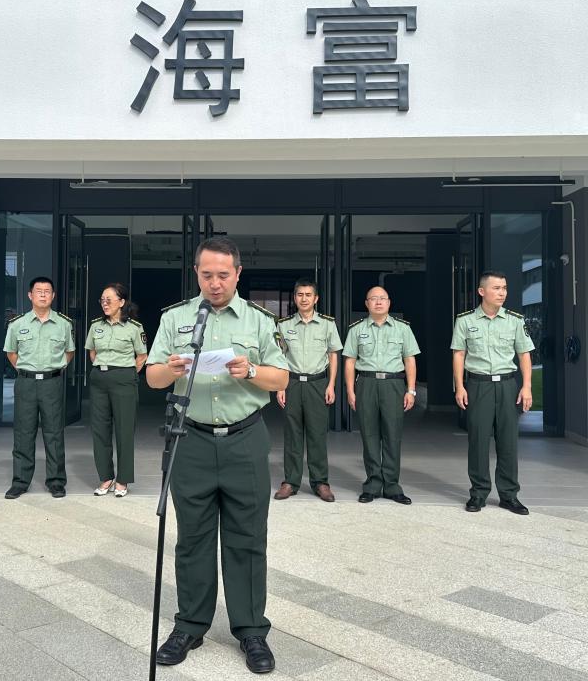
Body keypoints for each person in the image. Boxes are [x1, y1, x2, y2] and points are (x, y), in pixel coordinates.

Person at [146, 236, 288, 675]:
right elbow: (151, 377)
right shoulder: (176, 318)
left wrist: (251, 370)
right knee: (193, 538)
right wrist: (169, 368)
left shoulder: (259, 321)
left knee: (248, 539)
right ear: (196, 273)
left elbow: (281, 376)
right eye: (206, 274)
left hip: (245, 439)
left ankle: (251, 630)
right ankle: (190, 625)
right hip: (191, 439)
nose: (215, 283)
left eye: (223, 275)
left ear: (238, 273)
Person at [451, 271, 534, 515]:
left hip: (507, 385)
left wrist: (527, 386)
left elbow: (524, 354)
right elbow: (459, 354)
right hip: (479, 385)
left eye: (504, 288)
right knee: (478, 441)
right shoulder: (465, 321)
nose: (502, 293)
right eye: (496, 288)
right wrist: (460, 386)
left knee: (508, 442)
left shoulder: (515, 320)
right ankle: (478, 494)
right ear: (482, 291)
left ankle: (509, 495)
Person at [342, 287, 420, 505]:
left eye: (382, 299)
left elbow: (410, 360)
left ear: (389, 302)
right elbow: (349, 361)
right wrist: (350, 390)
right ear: (366, 304)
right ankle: (373, 485)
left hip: (393, 384)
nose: (378, 302)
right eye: (373, 299)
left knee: (392, 435)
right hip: (366, 383)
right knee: (369, 436)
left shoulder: (403, 329)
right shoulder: (356, 329)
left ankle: (392, 485)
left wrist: (411, 390)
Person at [2, 276, 75, 499]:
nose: (43, 294)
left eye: (47, 291)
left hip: (52, 383)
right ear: (30, 295)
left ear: (53, 296)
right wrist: (26, 370)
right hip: (26, 383)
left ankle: (56, 481)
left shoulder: (64, 324)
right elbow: (11, 353)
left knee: (54, 433)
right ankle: (20, 481)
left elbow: (69, 352)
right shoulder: (17, 324)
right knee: (23, 433)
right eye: (38, 291)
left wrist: (56, 369)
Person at [274, 279, 342, 502]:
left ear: (316, 298)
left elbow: (333, 354)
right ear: (295, 298)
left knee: (317, 435)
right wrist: (280, 386)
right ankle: (290, 482)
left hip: (317, 383)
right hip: (292, 383)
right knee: (292, 435)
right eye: (300, 295)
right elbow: (279, 357)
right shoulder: (284, 325)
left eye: (308, 295)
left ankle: (320, 482)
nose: (304, 299)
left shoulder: (327, 324)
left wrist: (331, 385)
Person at [84, 283, 148, 498]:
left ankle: (122, 479)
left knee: (124, 430)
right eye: (102, 300)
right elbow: (92, 352)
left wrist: (125, 372)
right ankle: (106, 477)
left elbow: (142, 356)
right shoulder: (95, 326)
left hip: (124, 380)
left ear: (121, 302)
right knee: (100, 430)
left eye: (109, 300)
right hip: (99, 380)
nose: (105, 303)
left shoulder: (134, 327)